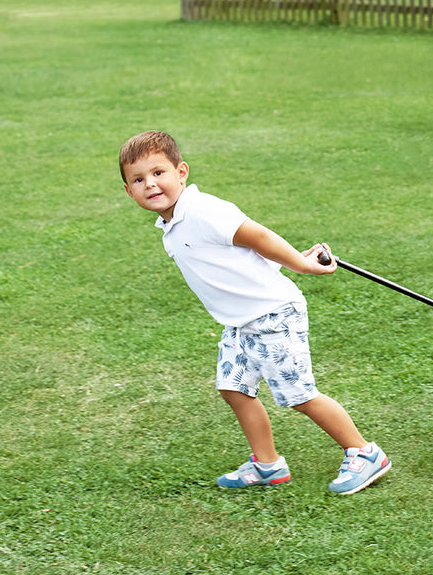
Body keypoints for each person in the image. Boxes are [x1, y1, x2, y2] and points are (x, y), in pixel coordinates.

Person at [118, 130, 390, 494]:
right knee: (233, 389)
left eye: (158, 173)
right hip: (241, 323)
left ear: (181, 172)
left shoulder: (202, 210)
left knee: (299, 394)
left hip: (273, 314)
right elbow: (242, 257)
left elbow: (258, 237)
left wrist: (300, 264)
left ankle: (365, 453)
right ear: (128, 191)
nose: (150, 184)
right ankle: (267, 465)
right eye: (138, 179)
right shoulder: (172, 222)